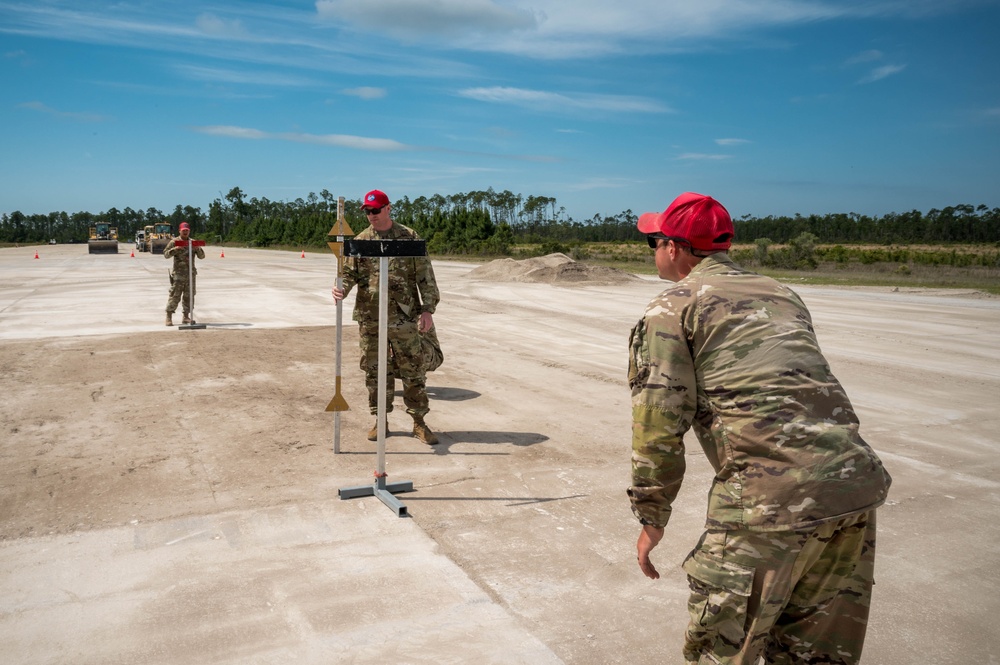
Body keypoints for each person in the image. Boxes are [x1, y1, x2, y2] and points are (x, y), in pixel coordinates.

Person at [627, 192, 892, 664]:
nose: (654, 251)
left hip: (767, 505)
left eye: (654, 241)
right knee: (815, 656)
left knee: (725, 652)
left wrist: (652, 516)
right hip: (853, 489)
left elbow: (659, 424)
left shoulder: (673, 308)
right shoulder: (781, 292)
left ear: (674, 247)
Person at [332, 189, 441, 445]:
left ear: (388, 208)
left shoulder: (408, 237)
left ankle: (419, 422)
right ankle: (381, 420)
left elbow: (425, 274)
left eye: (376, 210)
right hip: (371, 317)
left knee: (413, 370)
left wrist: (428, 310)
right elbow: (349, 274)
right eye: (367, 212)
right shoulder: (361, 241)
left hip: (404, 317)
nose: (371, 216)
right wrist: (341, 288)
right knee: (375, 371)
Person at [163, 222, 205, 326]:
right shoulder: (174, 242)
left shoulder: (193, 242)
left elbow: (202, 256)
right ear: (179, 231)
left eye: (187, 230)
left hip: (190, 274)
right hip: (178, 275)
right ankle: (169, 317)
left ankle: (186, 317)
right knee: (174, 295)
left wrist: (197, 249)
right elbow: (166, 254)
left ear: (189, 231)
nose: (185, 232)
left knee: (189, 296)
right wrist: (175, 250)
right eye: (183, 230)